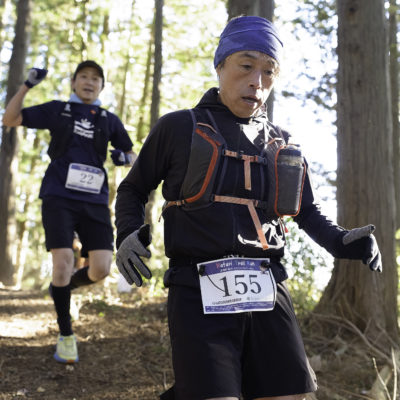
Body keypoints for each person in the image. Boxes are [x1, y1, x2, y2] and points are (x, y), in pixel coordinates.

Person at [114, 16, 382, 400]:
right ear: (220, 65)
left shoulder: (283, 145)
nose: (257, 80)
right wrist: (127, 233)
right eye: (246, 65)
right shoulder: (178, 128)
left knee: (289, 395)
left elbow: (306, 211)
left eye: (269, 71)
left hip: (267, 285)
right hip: (197, 286)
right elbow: (134, 188)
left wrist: (342, 242)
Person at [3, 60, 135, 364]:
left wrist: (124, 158)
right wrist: (27, 86)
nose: (89, 82)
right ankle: (66, 335)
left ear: (101, 87)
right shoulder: (58, 110)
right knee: (62, 263)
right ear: (74, 82)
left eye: (95, 79)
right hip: (58, 196)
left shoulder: (108, 119)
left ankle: (62, 289)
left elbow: (132, 154)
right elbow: (10, 119)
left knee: (101, 269)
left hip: (94, 201)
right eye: (83, 77)